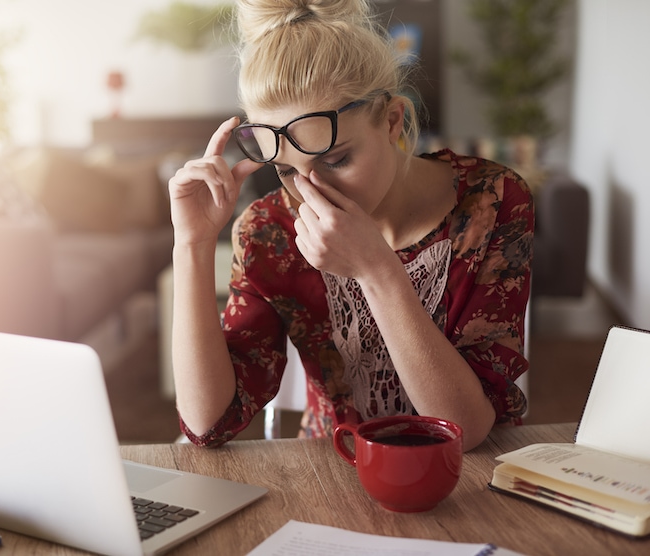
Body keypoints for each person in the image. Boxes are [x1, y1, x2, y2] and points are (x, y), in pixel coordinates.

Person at [167, 0, 533, 451]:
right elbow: (208, 424)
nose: (312, 192)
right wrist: (193, 243)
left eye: (336, 159)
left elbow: (466, 430)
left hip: (470, 485)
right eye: (286, 171)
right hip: (334, 471)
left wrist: (376, 270)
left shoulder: (491, 202)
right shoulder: (270, 231)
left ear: (393, 121)